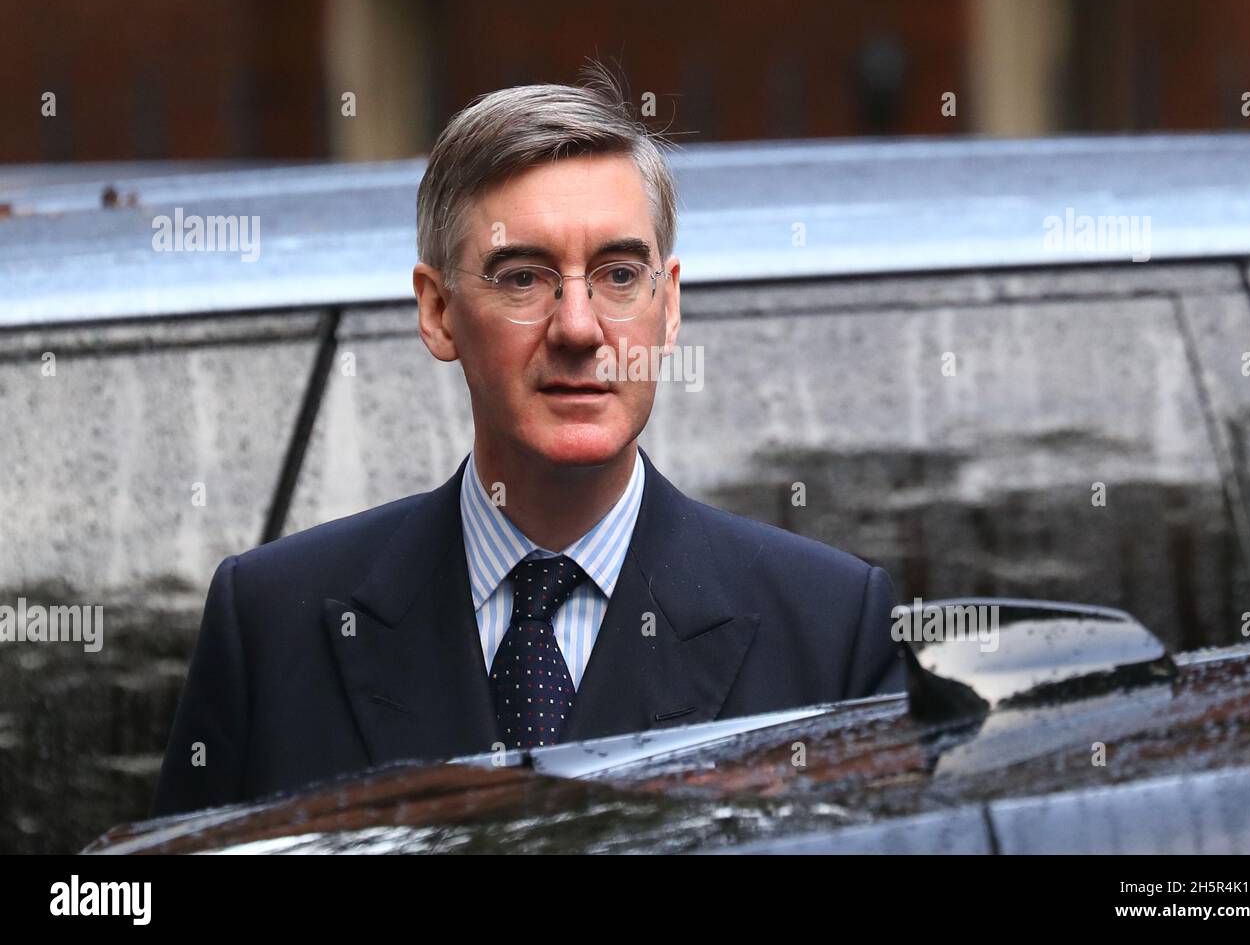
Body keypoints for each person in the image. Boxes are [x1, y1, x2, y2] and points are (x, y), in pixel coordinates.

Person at [151, 61, 905, 818]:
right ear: (439, 312)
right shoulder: (275, 624)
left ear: (668, 306)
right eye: (523, 278)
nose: (577, 327)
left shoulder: (827, 630)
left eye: (616, 274)